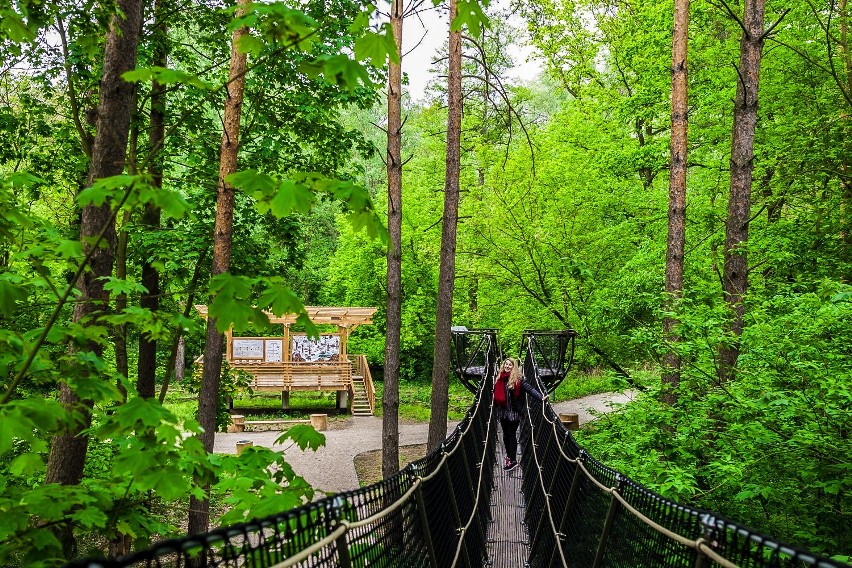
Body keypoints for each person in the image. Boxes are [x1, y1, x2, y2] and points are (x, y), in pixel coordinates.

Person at [493, 357, 547, 471]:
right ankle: (509, 456)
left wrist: (541, 397)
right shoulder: (500, 378)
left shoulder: (519, 379)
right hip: (502, 410)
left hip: (514, 412)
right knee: (505, 435)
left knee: (511, 434)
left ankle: (513, 461)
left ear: (514, 367)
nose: (507, 366)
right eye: (506, 364)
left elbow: (530, 389)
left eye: (510, 365)